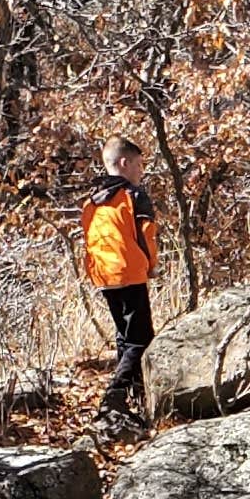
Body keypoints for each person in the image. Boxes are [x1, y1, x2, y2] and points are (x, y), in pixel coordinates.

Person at [80, 140, 158, 427]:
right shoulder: (132, 195)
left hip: (103, 276)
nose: (141, 171)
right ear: (124, 163)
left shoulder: (92, 199)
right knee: (140, 339)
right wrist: (151, 265)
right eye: (138, 164)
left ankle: (135, 398)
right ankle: (115, 395)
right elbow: (146, 234)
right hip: (130, 272)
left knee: (125, 337)